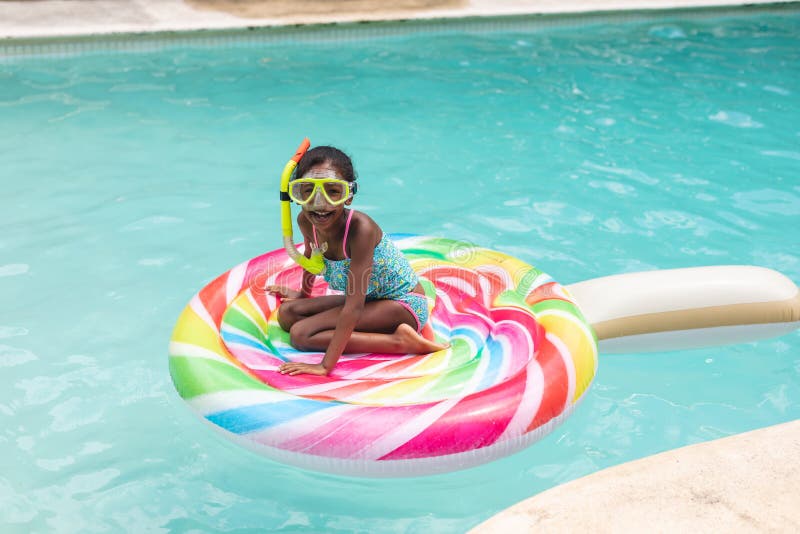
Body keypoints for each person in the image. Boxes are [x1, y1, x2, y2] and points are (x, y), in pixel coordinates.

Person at [267, 145, 448, 376]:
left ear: (349, 195)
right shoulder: (306, 220)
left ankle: (400, 341)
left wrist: (325, 366)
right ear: (297, 195)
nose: (320, 203)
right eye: (308, 191)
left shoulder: (360, 230)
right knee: (287, 314)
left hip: (402, 305)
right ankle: (391, 336)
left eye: (333, 191)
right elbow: (313, 258)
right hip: (371, 299)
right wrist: (303, 294)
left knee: (300, 334)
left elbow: (353, 307)